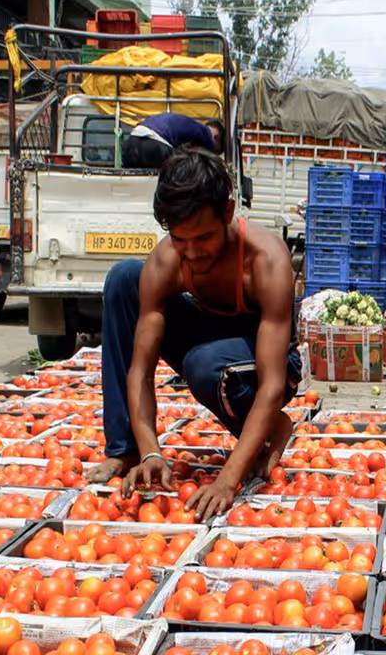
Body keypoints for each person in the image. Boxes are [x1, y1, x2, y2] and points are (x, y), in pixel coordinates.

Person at [90, 147, 302, 521]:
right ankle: (125, 449)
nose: (192, 252)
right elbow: (140, 369)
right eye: (179, 240)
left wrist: (227, 479)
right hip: (212, 341)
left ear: (228, 213)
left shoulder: (266, 260)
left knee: (204, 365)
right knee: (124, 278)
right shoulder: (168, 261)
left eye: (203, 238)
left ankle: (270, 427)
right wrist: (152, 450)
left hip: (269, 361)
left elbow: (272, 384)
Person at [124, 113, 224, 168]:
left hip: (133, 139)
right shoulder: (206, 134)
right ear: (216, 137)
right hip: (154, 142)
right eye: (215, 150)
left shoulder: (190, 125)